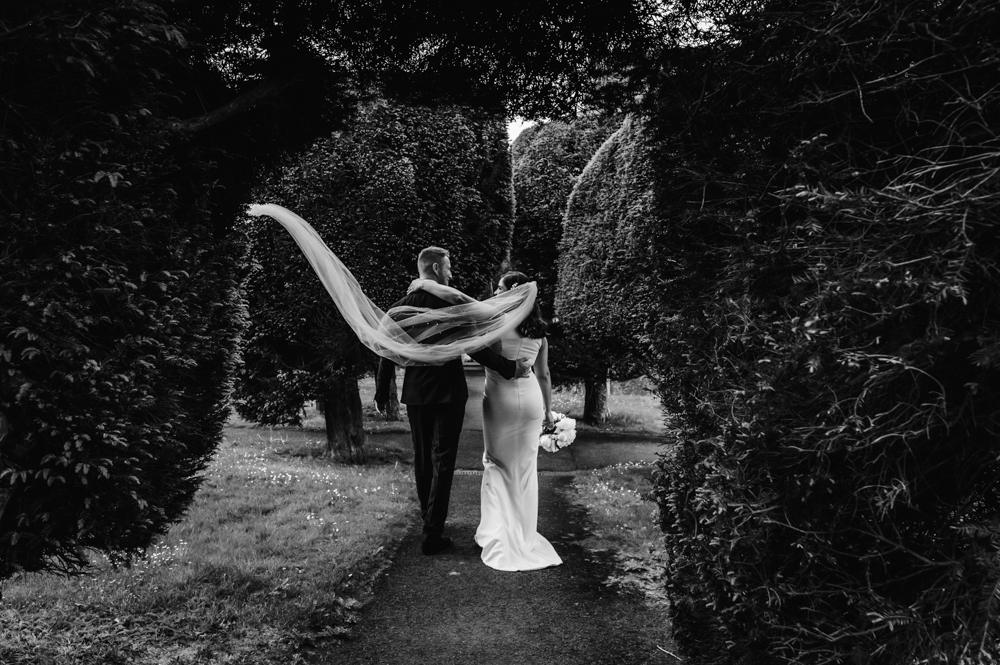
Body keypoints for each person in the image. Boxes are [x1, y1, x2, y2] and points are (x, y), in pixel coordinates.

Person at [374, 248, 531, 556]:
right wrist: (511, 368)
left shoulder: (399, 308)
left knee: (422, 459)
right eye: (447, 268)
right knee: (442, 461)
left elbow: (386, 352)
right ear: (434, 267)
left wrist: (382, 392)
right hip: (448, 392)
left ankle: (429, 522)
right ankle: (433, 532)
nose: (451, 273)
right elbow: (475, 349)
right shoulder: (450, 305)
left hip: (416, 393)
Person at [412, 270, 563, 571]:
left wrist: (426, 286)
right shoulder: (540, 332)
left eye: (499, 289)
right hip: (531, 400)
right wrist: (548, 411)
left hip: (501, 400)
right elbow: (544, 375)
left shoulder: (495, 324)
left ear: (511, 293)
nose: (494, 294)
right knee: (525, 469)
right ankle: (523, 535)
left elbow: (472, 340)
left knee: (496, 464)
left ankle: (498, 534)